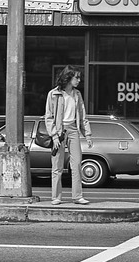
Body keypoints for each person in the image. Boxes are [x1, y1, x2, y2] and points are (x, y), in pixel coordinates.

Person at [44, 65, 93, 205]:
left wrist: (88, 134)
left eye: (79, 78)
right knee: (57, 166)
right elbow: (48, 116)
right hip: (59, 131)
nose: (79, 80)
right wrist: (54, 136)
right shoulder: (53, 94)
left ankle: (77, 196)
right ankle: (56, 197)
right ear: (68, 77)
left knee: (76, 164)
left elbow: (82, 115)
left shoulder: (77, 94)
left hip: (73, 129)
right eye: (76, 77)